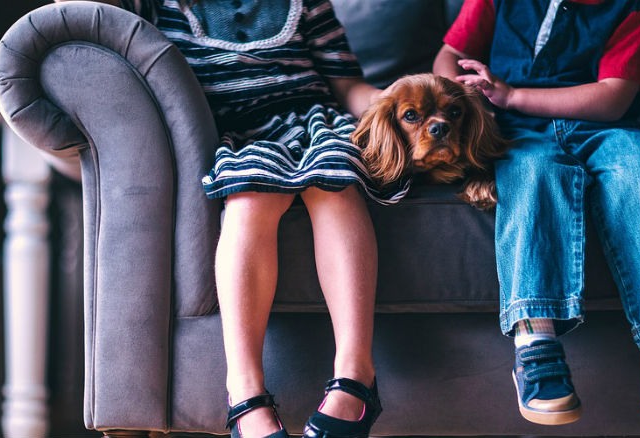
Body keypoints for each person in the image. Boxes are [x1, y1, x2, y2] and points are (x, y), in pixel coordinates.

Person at [54, 0, 406, 436]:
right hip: (238, 133)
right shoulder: (159, 6)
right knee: (250, 196)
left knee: (333, 182)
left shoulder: (306, 4)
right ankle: (245, 394)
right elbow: (76, 9)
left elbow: (348, 85)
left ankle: (355, 376)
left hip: (315, 120)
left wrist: (397, 101)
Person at [434, 0, 640, 429]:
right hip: (519, 132)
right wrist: (460, 91)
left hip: (607, 129)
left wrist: (514, 95)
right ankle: (535, 343)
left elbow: (613, 99)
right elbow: (450, 53)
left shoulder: (632, 7)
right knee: (532, 173)